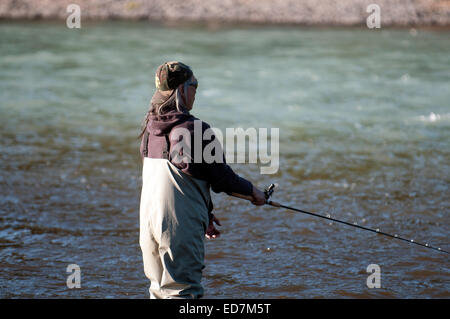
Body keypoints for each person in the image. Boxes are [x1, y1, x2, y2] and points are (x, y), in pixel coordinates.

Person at [138, 61, 266, 299]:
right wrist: (254, 193)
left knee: (158, 291)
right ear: (182, 90)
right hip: (179, 228)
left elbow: (183, 176)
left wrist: (204, 212)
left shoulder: (149, 129)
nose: (196, 91)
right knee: (184, 292)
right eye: (194, 85)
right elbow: (223, 179)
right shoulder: (194, 129)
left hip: (149, 227)